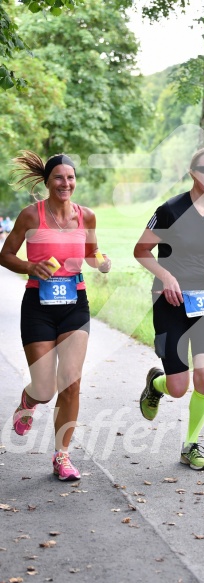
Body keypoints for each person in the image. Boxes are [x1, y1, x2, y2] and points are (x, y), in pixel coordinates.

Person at [0, 150, 111, 481]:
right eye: (59, 177)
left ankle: (62, 456)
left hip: (75, 302)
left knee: (72, 382)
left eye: (71, 177)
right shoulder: (30, 216)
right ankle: (29, 399)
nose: (66, 183)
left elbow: (92, 252)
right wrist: (29, 266)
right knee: (46, 388)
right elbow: (5, 255)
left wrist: (102, 261)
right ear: (47, 182)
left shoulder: (87, 216)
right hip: (38, 305)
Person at [133, 147, 204, 470]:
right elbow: (141, 250)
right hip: (170, 302)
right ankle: (156, 384)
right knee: (179, 387)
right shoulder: (169, 210)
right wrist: (165, 276)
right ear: (192, 172)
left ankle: (191, 445)